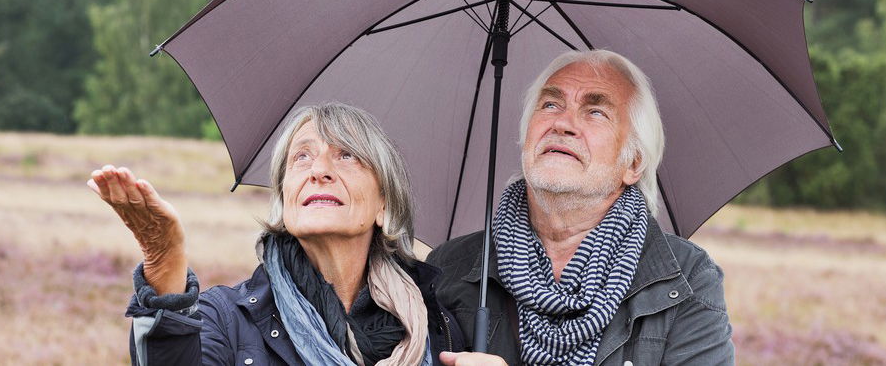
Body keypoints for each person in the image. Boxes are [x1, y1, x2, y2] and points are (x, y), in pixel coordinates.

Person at [89, 103, 464, 365]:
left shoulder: (437, 328)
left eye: (346, 154)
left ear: (384, 203)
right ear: (285, 198)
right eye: (301, 156)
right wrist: (165, 260)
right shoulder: (226, 318)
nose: (319, 169)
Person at [427, 50, 734, 366]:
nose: (562, 123)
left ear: (634, 162)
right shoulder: (448, 269)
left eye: (596, 112)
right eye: (550, 105)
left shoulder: (686, 281)